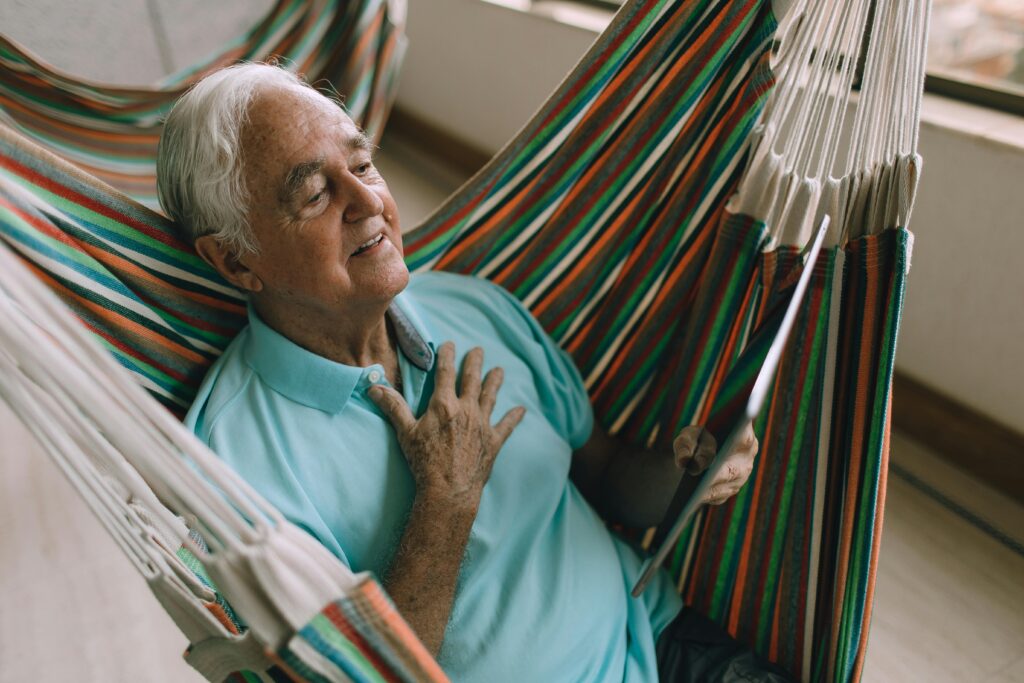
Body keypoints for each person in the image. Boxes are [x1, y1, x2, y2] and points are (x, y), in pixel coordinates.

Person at [158, 63, 792, 682]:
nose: (365, 201)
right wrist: (447, 499)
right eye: (315, 193)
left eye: (361, 164)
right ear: (236, 261)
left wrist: (688, 474)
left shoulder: (471, 305)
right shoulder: (235, 469)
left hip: (660, 644)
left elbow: (604, 474)